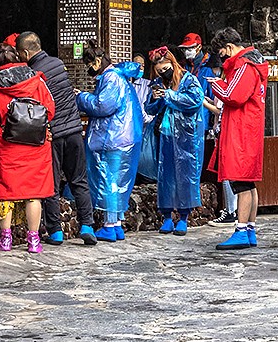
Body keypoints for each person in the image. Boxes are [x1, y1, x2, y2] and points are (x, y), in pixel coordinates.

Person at [16, 31, 97, 246]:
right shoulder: (59, 63)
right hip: (73, 131)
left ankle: (55, 231)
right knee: (79, 179)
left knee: (51, 183)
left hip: (52, 135)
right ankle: (87, 225)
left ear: (25, 52)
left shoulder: (31, 72)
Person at [0, 43, 56, 254]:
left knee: (6, 193)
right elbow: (50, 110)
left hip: (7, 146)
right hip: (36, 145)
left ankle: (6, 239)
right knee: (33, 194)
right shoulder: (37, 80)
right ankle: (34, 240)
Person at [207, 27, 268, 251]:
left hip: (241, 131)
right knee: (248, 183)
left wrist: (215, 83)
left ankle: (241, 229)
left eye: (222, 52)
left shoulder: (244, 66)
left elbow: (233, 96)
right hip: (249, 129)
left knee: (240, 181)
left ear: (229, 48)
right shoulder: (255, 65)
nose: (221, 58)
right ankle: (249, 228)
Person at [76, 42, 144, 242]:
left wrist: (81, 97)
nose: (88, 69)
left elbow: (103, 105)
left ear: (97, 61)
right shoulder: (119, 76)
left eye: (89, 63)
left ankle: (109, 225)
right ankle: (116, 225)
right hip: (124, 137)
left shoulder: (111, 77)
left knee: (109, 181)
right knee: (117, 182)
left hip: (112, 138)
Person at [145, 46, 206, 235]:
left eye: (165, 68)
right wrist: (156, 99)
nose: (164, 72)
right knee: (166, 176)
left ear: (173, 63)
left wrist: (170, 95)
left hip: (186, 136)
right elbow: (150, 109)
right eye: (160, 70)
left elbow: (195, 100)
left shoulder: (189, 79)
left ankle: (184, 217)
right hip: (165, 134)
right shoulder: (158, 83)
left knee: (186, 176)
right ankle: (166, 216)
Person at [180, 34, 233, 226]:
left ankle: (225, 209)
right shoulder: (185, 68)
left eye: (190, 47)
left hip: (203, 122)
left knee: (201, 163)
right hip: (184, 122)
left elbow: (217, 101)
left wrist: (209, 118)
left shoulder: (209, 69)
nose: (187, 51)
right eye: (185, 48)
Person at [131, 52, 159, 184]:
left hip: (144, 132)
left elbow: (150, 110)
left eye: (142, 65)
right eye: (137, 64)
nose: (140, 68)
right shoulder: (125, 84)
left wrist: (143, 117)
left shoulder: (148, 85)